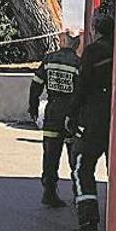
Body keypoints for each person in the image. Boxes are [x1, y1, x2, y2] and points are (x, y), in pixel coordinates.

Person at [70, 9, 115, 231]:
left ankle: (88, 225)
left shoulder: (94, 52)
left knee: (82, 167)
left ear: (95, 30)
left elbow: (82, 87)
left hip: (95, 117)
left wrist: (71, 115)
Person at [28, 29, 83, 208]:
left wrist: (33, 108)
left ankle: (49, 193)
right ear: (77, 44)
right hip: (70, 116)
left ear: (64, 42)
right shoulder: (78, 64)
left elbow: (36, 85)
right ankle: (79, 195)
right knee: (74, 157)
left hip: (52, 114)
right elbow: (82, 92)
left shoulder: (49, 60)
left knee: (50, 155)